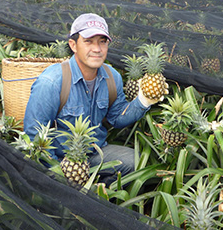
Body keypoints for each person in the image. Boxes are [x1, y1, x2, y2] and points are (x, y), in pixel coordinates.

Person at [24, 13, 164, 185]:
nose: (97, 49)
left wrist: (143, 101)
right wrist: (59, 172)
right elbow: (34, 134)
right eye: (89, 41)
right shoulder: (51, 82)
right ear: (73, 45)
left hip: (95, 154)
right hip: (60, 158)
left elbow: (117, 118)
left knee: (135, 162)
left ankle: (99, 194)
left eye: (102, 41)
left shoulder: (112, 77)